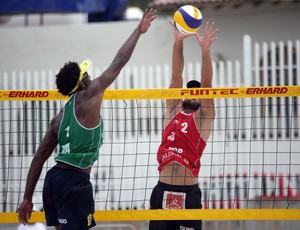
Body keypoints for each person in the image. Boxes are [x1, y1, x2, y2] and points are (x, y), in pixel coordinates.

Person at [16, 8, 157, 230]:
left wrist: (26, 198)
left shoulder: (59, 118)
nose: (90, 75)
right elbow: (119, 60)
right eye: (86, 74)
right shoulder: (91, 93)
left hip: (53, 181)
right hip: (74, 183)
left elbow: (39, 157)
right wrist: (138, 31)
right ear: (82, 83)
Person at [149, 21, 218, 230]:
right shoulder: (172, 112)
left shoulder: (203, 118)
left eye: (198, 93)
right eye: (190, 90)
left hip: (189, 193)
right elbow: (176, 76)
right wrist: (178, 42)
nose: (194, 93)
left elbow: (206, 86)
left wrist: (205, 51)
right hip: (162, 190)